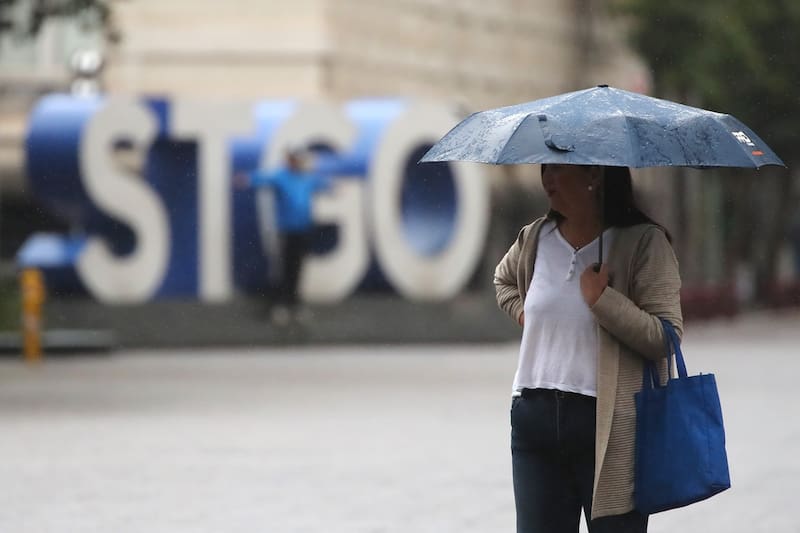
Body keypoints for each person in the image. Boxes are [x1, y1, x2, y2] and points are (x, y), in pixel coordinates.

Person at [494, 164, 683, 533]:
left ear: (593, 175)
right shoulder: (535, 237)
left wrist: (603, 300)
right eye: (544, 167)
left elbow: (666, 337)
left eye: (558, 168)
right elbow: (503, 281)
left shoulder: (643, 242)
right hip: (535, 416)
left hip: (609, 427)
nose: (546, 177)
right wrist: (526, 316)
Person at [237, 149, 330, 325]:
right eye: (296, 160)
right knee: (284, 268)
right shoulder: (282, 177)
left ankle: (295, 304)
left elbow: (324, 184)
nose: (299, 163)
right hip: (286, 231)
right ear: (290, 161)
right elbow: (261, 179)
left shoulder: (308, 178)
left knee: (297, 268)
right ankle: (280, 305)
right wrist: (247, 179)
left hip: (303, 231)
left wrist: (334, 187)